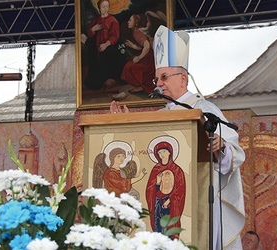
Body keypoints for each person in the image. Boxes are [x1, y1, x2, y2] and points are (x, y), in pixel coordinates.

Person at [110, 25, 246, 250]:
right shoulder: (160, 116)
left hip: (200, 202)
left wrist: (221, 147)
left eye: (164, 77)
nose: (159, 83)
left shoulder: (206, 110)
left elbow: (234, 153)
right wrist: (127, 126)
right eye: (156, 79)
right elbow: (144, 155)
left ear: (183, 79)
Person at [145, 141, 185, 237]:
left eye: (163, 151)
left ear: (169, 152)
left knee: (169, 232)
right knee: (159, 231)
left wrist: (170, 199)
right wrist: (158, 183)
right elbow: (150, 190)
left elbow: (180, 190)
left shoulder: (177, 170)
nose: (161, 154)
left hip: (171, 205)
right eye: (159, 153)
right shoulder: (156, 169)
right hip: (158, 204)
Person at [84, 0, 125, 90]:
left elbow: (115, 35)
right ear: (99, 8)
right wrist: (93, 29)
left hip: (109, 47)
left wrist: (106, 44)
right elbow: (89, 33)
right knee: (94, 62)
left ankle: (110, 81)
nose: (105, 9)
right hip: (97, 47)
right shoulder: (96, 20)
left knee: (108, 61)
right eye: (103, 7)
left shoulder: (112, 20)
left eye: (107, 6)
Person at [120, 14, 155, 95]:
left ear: (135, 23)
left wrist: (139, 58)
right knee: (130, 64)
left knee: (130, 67)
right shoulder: (137, 31)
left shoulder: (137, 33)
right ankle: (141, 85)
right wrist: (133, 46)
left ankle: (141, 86)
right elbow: (142, 47)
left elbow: (147, 46)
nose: (128, 22)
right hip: (148, 55)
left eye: (130, 20)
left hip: (149, 58)